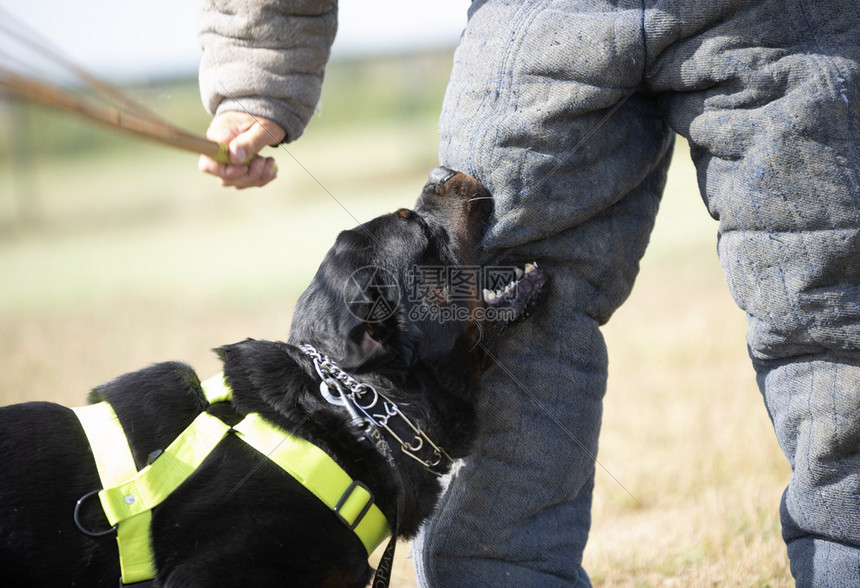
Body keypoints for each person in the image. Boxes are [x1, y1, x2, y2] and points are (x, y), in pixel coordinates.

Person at [198, 1, 860, 585]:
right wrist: (257, 75)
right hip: (549, 20)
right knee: (481, 313)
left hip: (779, 16)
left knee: (834, 304)